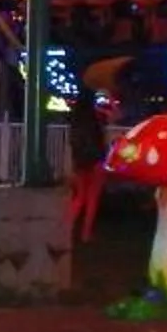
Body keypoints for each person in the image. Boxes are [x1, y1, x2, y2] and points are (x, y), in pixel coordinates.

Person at [66, 92, 114, 244]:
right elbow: (113, 117)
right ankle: (86, 233)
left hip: (80, 162)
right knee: (92, 198)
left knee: (79, 197)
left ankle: (66, 229)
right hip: (96, 161)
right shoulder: (96, 119)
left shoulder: (75, 122)